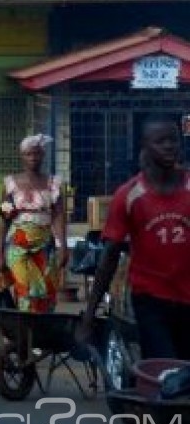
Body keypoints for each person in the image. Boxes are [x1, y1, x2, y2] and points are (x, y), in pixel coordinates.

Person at [77, 116, 190, 360]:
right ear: (145, 148)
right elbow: (109, 257)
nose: (170, 146)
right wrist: (89, 314)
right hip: (151, 300)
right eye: (161, 141)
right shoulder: (128, 196)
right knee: (165, 369)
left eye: (174, 140)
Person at [0, 134, 68, 313]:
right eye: (28, 154)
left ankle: (41, 334)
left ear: (43, 155)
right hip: (17, 245)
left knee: (47, 291)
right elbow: (4, 220)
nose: (33, 158)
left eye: (36, 154)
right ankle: (24, 334)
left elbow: (58, 215)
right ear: (22, 156)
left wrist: (62, 246)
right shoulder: (10, 184)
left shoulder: (54, 184)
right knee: (25, 290)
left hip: (45, 244)